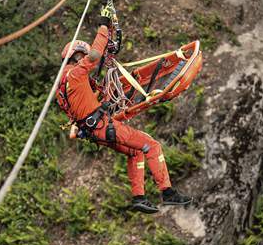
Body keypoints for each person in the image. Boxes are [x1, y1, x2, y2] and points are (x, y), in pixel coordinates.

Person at [57, 14, 192, 213]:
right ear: (77, 55)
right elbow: (94, 56)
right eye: (81, 56)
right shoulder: (76, 73)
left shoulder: (63, 84)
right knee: (151, 145)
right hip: (102, 126)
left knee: (135, 151)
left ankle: (139, 197)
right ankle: (168, 192)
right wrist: (103, 28)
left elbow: (89, 98)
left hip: (94, 130)